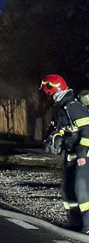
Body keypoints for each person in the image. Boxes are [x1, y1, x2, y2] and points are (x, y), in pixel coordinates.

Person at [41, 74, 89, 233]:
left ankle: (88, 226)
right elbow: (63, 130)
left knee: (82, 191)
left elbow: (88, 130)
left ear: (52, 90)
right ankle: (75, 224)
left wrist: (82, 153)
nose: (47, 97)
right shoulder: (62, 108)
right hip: (71, 155)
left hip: (84, 156)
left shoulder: (71, 106)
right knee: (68, 190)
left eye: (47, 93)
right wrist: (55, 138)